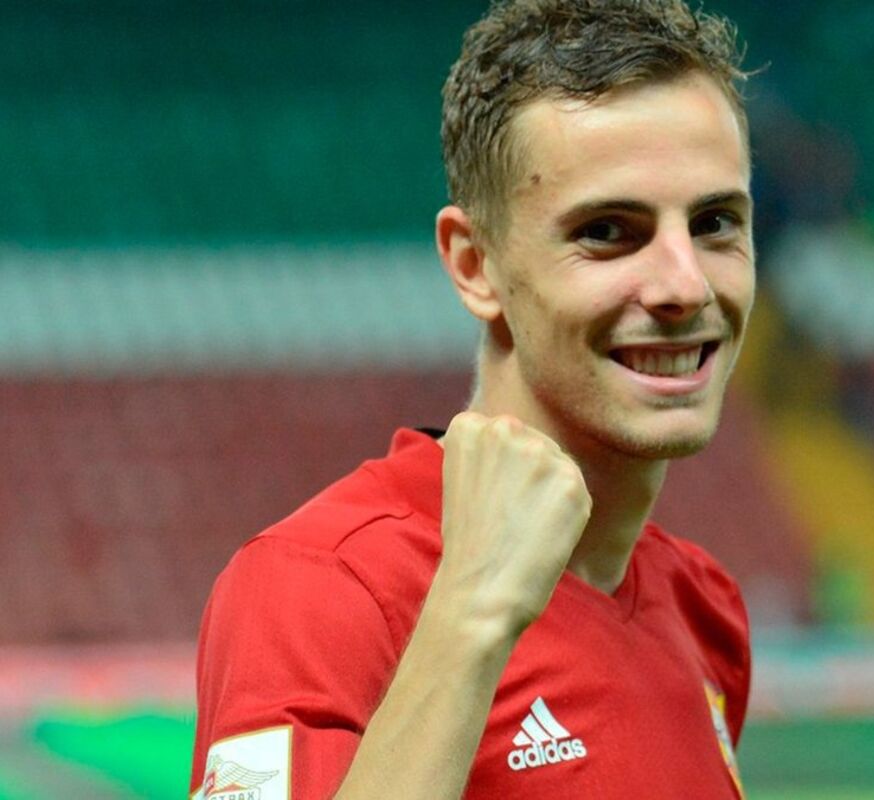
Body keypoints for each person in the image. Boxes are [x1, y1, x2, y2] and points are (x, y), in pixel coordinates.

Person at [189, 1, 756, 797]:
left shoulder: (704, 607)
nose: (684, 285)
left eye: (715, 222)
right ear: (474, 265)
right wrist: (472, 618)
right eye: (606, 231)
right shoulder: (317, 586)